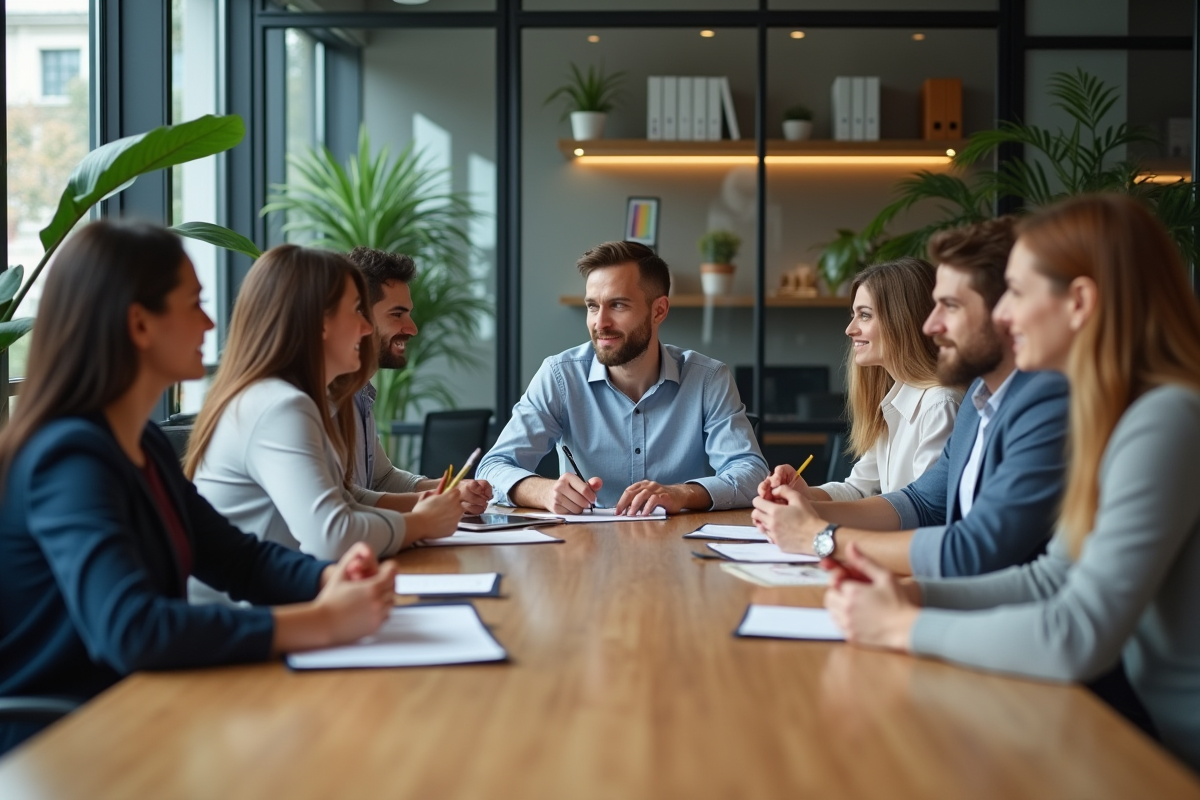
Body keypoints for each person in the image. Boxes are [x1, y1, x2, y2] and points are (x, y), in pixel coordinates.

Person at [822, 194, 1200, 772]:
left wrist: (904, 624)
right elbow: (1055, 578)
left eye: (1017, 294)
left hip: (1162, 750)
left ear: (1079, 302)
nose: (1003, 316)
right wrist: (915, 595)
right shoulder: (1119, 411)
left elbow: (1077, 635)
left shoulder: (1167, 418)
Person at [0, 221, 395, 756]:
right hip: (65, 746)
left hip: (142, 714)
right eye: (194, 304)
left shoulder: (140, 441)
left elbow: (237, 559)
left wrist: (328, 576)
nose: (211, 322)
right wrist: (319, 621)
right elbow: (131, 628)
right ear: (140, 323)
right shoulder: (68, 458)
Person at [753, 218, 1069, 578]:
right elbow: (922, 503)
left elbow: (971, 547)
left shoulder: (1037, 405)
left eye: (950, 305)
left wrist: (819, 536)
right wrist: (805, 509)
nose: (931, 325)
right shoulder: (977, 401)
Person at [185, 244, 464, 569]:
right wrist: (422, 522)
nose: (365, 328)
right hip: (255, 612)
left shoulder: (292, 399)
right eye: (357, 311)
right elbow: (333, 536)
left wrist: (425, 507)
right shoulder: (280, 406)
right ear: (319, 322)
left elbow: (345, 499)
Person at [477, 240, 768, 515]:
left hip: (681, 548)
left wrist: (682, 494)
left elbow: (751, 473)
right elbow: (493, 468)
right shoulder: (559, 376)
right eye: (592, 306)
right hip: (583, 548)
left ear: (659, 310)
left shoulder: (708, 379)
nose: (600, 323)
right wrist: (543, 491)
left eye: (618, 305)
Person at [782, 257, 962, 503]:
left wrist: (815, 517)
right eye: (853, 315)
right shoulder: (895, 399)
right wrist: (804, 494)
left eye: (864, 315)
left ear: (902, 320)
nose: (850, 329)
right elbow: (857, 490)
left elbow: (925, 512)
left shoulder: (940, 405)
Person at [344, 247, 491, 514]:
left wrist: (448, 490)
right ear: (358, 317)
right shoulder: (319, 396)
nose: (412, 328)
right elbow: (343, 499)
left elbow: (382, 479)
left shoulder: (361, 394)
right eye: (397, 314)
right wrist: (434, 504)